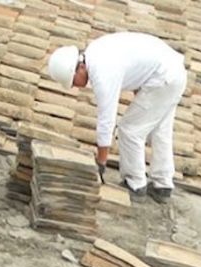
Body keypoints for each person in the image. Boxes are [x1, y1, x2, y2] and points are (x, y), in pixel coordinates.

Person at [47, 33, 186, 205]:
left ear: (80, 67)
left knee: (129, 130)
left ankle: (135, 183)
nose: (75, 86)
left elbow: (107, 121)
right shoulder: (95, 52)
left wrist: (101, 161)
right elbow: (138, 69)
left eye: (73, 82)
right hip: (171, 72)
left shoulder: (102, 72)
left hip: (164, 77)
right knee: (159, 130)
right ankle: (162, 185)